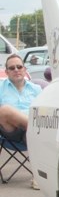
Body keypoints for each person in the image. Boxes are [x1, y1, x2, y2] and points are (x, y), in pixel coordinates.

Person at [0, 54, 42, 189]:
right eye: (12, 68)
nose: (16, 70)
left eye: (19, 67)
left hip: (30, 133)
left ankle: (38, 176)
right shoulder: (1, 88)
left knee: (34, 132)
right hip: (9, 131)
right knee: (5, 110)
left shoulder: (36, 89)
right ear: (6, 72)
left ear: (25, 69)